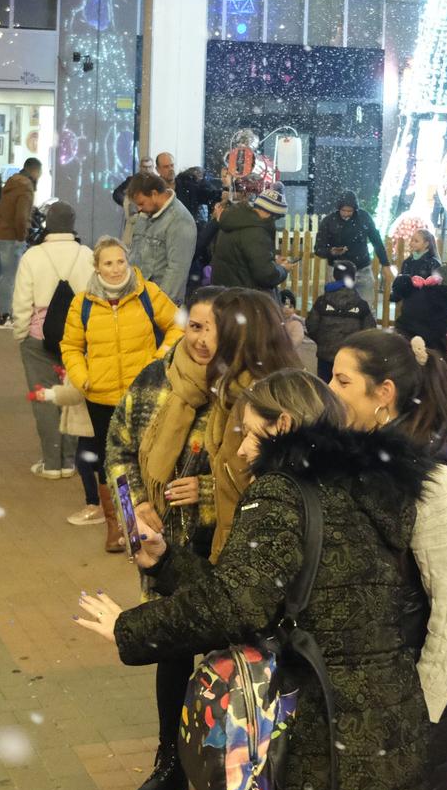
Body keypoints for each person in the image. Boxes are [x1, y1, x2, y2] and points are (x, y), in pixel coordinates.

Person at [76, 370, 432, 790]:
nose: (242, 450)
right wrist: (167, 561)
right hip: (391, 723)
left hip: (319, 731)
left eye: (248, 432)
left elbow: (234, 606)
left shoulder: (283, 494)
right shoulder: (367, 489)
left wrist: (129, 628)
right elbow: (258, 589)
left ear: (282, 424)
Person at [328, 330, 447, 790]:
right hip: (383, 685)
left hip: (418, 689)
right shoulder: (362, 457)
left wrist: (424, 706)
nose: (329, 391)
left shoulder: (428, 478)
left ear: (384, 395)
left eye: (342, 381)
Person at [102, 286, 224, 790]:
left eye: (212, 328)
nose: (200, 339)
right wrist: (135, 510)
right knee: (172, 654)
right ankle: (170, 760)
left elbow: (261, 473)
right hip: (164, 545)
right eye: (194, 326)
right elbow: (118, 448)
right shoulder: (157, 378)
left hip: (223, 546)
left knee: (224, 654)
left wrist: (210, 490)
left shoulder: (244, 390)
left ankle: (228, 757)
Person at [62, 237, 182, 548]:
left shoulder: (147, 294)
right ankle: (121, 527)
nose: (115, 269)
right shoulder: (83, 303)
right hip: (100, 397)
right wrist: (81, 376)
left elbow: (178, 325)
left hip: (142, 396)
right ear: (97, 267)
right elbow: (71, 346)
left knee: (148, 459)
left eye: (120, 262)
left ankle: (152, 523)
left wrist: (160, 360)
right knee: (110, 462)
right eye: (108, 263)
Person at [203, 287, 306, 559]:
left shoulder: (262, 401)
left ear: (234, 337)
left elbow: (252, 482)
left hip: (250, 549)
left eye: (210, 327)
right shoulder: (230, 387)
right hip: (233, 537)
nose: (203, 337)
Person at [11, 200, 93, 481]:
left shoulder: (32, 257)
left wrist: (21, 334)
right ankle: (70, 461)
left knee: (44, 398)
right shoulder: (87, 255)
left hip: (38, 337)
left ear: (48, 224)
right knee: (72, 397)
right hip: (78, 338)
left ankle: (51, 463)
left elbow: (22, 302)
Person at [123, 170, 197, 305]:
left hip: (160, 309)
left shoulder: (180, 221)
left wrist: (157, 308)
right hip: (137, 301)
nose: (138, 209)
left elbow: (177, 272)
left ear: (154, 194)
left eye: (141, 203)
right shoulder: (146, 214)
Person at [0, 158, 41, 323]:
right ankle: (5, 314)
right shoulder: (26, 188)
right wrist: (21, 236)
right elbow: (21, 216)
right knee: (9, 277)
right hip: (11, 238)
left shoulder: (11, 183)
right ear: (35, 171)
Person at [314, 191, 392, 305]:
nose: (346, 214)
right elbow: (318, 249)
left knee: (366, 306)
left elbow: (377, 241)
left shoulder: (364, 218)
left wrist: (385, 264)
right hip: (338, 271)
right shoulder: (329, 221)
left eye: (349, 211)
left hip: (362, 268)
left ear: (355, 209)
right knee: (337, 305)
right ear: (338, 208)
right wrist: (332, 252)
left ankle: (366, 323)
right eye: (343, 210)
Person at [208, 188, 291, 293]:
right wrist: (283, 269)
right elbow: (266, 275)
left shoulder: (234, 220)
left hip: (227, 295)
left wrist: (273, 263)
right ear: (270, 214)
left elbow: (240, 259)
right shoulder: (255, 231)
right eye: (276, 217)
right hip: (248, 299)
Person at [305, 259, 375, 379]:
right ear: (353, 278)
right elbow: (369, 330)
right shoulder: (360, 304)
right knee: (346, 388)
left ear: (334, 276)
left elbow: (311, 325)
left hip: (325, 356)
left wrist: (323, 340)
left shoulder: (322, 301)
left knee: (325, 389)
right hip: (350, 357)